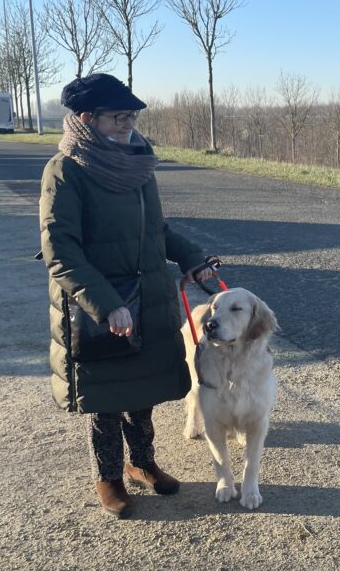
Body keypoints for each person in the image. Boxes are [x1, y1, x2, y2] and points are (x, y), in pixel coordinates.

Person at [39, 73, 213, 519]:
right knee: (107, 399)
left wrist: (193, 259)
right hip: (100, 304)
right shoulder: (65, 171)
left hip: (148, 299)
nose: (127, 124)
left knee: (144, 390)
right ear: (86, 118)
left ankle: (142, 463)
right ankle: (110, 476)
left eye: (131, 116)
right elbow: (60, 252)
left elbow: (158, 231)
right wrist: (105, 303)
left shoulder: (136, 163)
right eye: (118, 117)